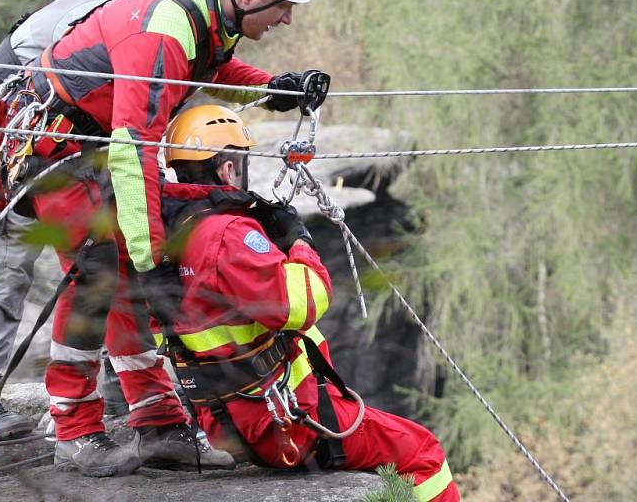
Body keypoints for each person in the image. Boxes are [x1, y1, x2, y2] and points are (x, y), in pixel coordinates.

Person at [0, 0, 323, 478]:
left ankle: (159, 423)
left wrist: (273, 89)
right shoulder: (163, 26)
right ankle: (76, 430)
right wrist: (150, 252)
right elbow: (134, 144)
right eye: (284, 4)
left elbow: (202, 66)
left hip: (96, 143)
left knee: (128, 276)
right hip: (59, 146)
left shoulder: (207, 8)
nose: (286, 18)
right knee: (99, 276)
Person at [0, 0, 234, 469]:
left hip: (80, 141)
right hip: (20, 128)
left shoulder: (167, 10)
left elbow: (188, 77)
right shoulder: (144, 12)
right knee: (14, 260)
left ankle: (141, 408)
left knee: (112, 265)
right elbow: (23, 69)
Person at [156, 104, 460, 502]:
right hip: (283, 421)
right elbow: (304, 303)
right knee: (424, 454)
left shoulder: (171, 235)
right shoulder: (228, 235)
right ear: (228, 170)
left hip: (226, 420)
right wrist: (299, 241)